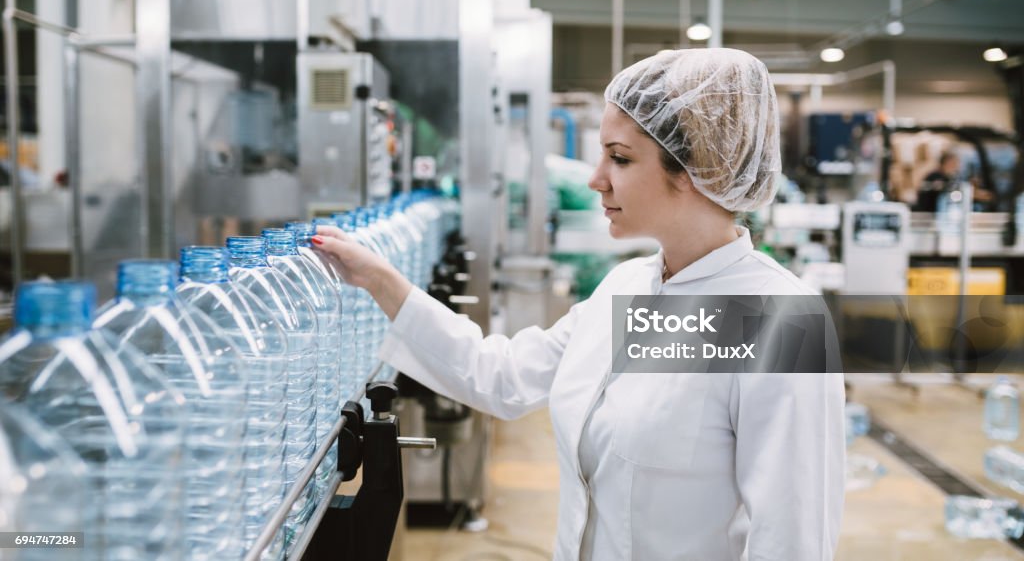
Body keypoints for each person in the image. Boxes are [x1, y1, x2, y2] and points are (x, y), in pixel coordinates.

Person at [313, 48, 845, 560]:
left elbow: (791, 541)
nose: (595, 179)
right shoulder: (629, 289)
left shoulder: (776, 321)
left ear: (693, 168)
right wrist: (380, 280)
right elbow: (502, 376)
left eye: (619, 158)